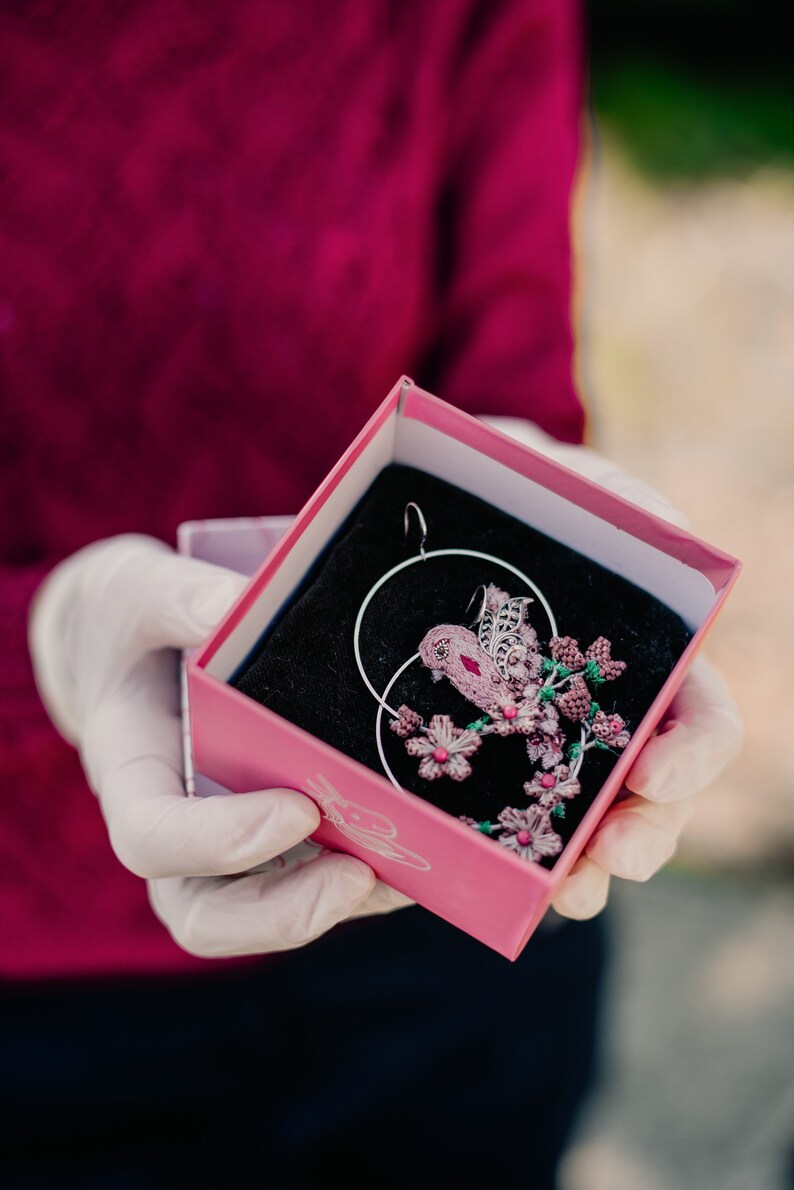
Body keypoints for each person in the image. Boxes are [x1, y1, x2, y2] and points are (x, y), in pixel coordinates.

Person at [0, 1, 740, 1185]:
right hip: (34, 1016)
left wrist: (561, 520)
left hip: (432, 948)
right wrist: (50, 636)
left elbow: (508, 397)